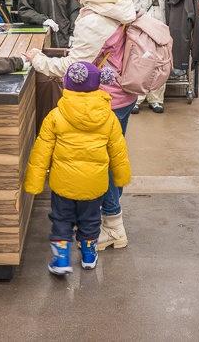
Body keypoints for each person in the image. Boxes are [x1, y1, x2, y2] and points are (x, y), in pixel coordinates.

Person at [22, 0, 137, 251]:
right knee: (110, 157)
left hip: (101, 98)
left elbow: (77, 68)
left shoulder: (94, 17)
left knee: (101, 162)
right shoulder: (117, 3)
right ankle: (108, 220)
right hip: (121, 94)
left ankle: (113, 226)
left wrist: (38, 61)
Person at [24, 61, 132, 275]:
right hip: (94, 184)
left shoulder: (55, 115)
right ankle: (89, 255)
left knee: (61, 219)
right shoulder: (109, 117)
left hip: (63, 184)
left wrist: (34, 183)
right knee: (91, 219)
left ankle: (62, 259)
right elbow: (118, 152)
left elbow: (41, 152)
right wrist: (121, 177)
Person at [120, 0, 183, 114]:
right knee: (138, 62)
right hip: (140, 27)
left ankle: (156, 99)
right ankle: (136, 99)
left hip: (161, 27)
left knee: (159, 63)